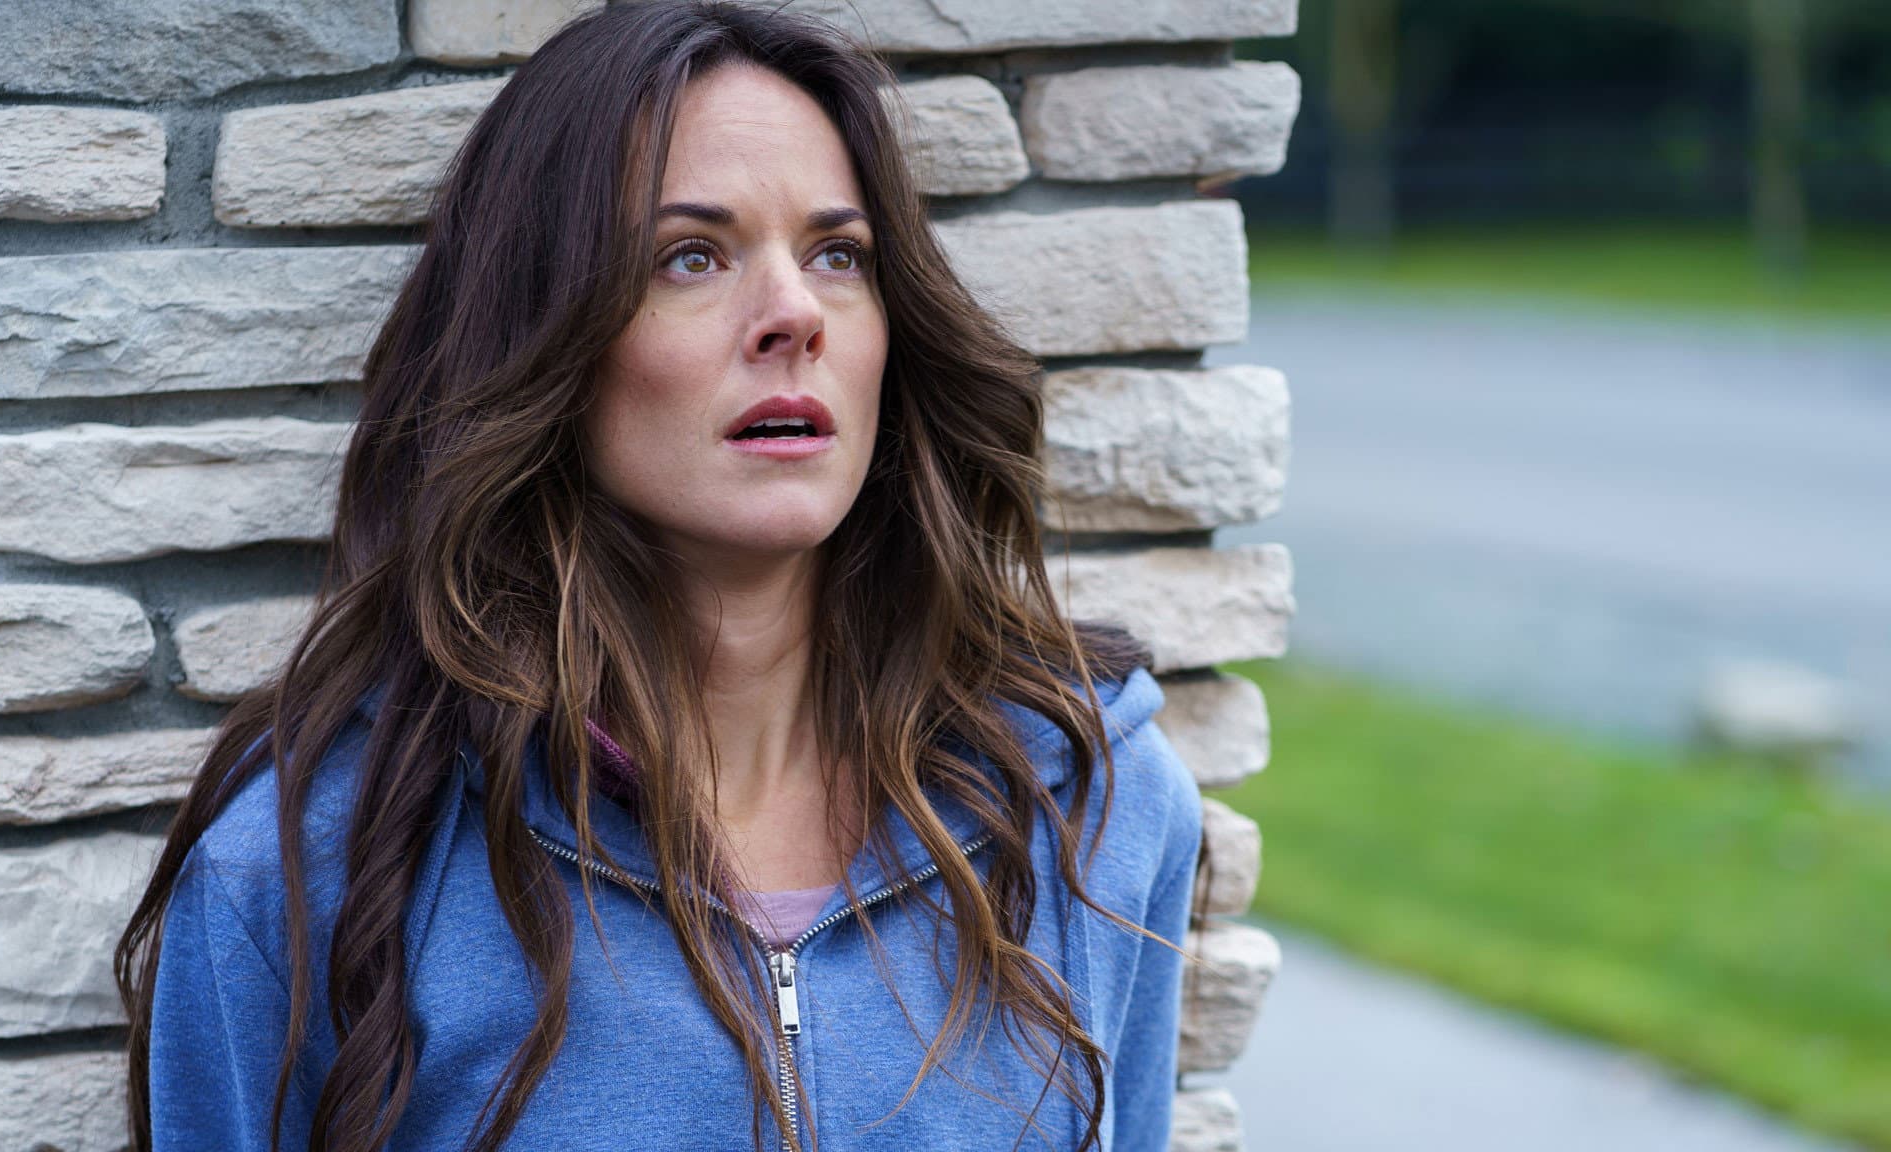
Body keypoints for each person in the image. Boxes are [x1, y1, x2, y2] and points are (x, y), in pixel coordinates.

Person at [114, 3, 1204, 1150]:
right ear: (548, 336)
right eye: (690, 256)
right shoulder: (305, 873)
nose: (794, 315)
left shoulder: (1090, 802)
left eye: (837, 255)